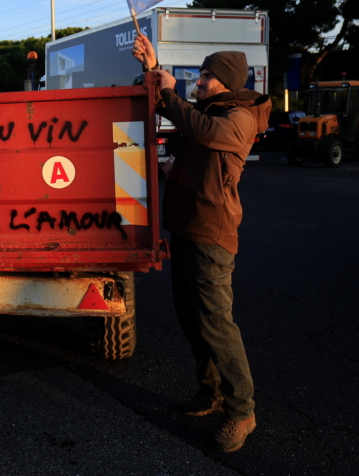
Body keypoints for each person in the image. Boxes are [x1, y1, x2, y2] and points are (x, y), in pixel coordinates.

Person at [132, 34, 270, 453]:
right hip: (186, 228)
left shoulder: (239, 116)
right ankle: (209, 392)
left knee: (217, 325)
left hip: (212, 235)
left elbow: (204, 130)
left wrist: (171, 91)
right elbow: (166, 108)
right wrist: (152, 68)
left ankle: (241, 410)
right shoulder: (210, 109)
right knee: (192, 320)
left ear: (224, 82)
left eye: (207, 75)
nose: (200, 80)